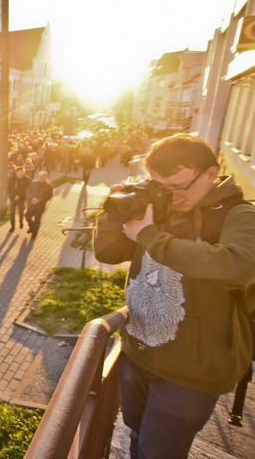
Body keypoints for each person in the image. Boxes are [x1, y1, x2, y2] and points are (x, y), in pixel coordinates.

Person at [93, 134, 255, 459]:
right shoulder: (160, 206)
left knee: (159, 452)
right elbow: (108, 251)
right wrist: (116, 212)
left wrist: (151, 235)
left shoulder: (239, 215)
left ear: (212, 173)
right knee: (137, 434)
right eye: (160, 185)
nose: (172, 196)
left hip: (191, 374)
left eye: (180, 186)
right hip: (137, 353)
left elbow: (239, 265)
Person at [24, 171, 54, 239]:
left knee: (37, 220)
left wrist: (39, 200)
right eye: (40, 176)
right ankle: (31, 227)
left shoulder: (49, 186)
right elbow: (28, 191)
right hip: (31, 204)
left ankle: (34, 233)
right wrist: (32, 198)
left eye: (43, 177)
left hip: (40, 206)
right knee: (27, 216)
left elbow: (48, 196)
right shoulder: (33, 183)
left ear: (46, 178)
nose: (41, 178)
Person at [8, 166, 30, 232]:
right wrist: (11, 194)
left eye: (22, 172)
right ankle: (12, 226)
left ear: (24, 172)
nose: (20, 174)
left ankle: (21, 222)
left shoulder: (27, 179)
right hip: (12, 198)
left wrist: (19, 195)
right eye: (19, 172)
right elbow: (9, 187)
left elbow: (26, 189)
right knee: (12, 213)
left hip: (21, 199)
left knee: (21, 211)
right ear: (16, 172)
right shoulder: (12, 178)